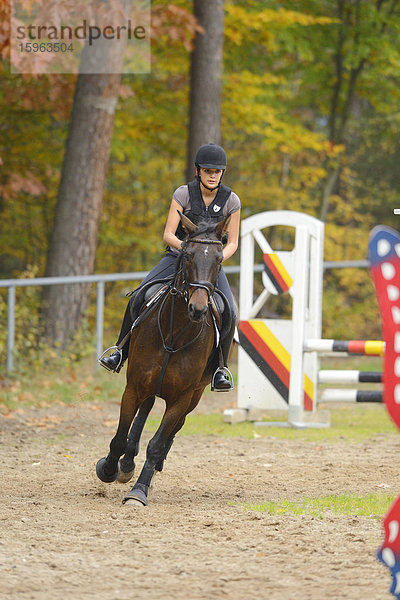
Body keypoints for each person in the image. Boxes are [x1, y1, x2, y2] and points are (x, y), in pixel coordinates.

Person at [99, 143, 241, 391]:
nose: (212, 175)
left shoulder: (232, 200)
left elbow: (233, 243)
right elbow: (168, 234)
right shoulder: (184, 194)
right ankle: (120, 351)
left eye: (216, 171)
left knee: (229, 309)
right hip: (177, 256)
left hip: (208, 265)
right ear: (198, 171)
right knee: (140, 294)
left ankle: (221, 368)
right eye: (207, 170)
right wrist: (188, 251)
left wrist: (213, 258)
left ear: (222, 173)